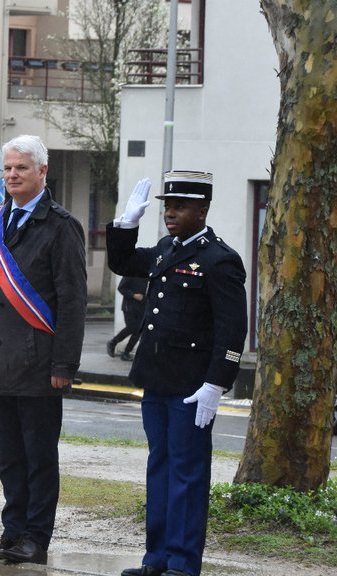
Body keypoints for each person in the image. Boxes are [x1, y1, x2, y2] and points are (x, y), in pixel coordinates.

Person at [108, 173, 247, 576]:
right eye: (167, 205)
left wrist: (216, 384)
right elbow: (122, 262)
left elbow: (232, 327)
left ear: (202, 211)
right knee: (160, 468)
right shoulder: (166, 249)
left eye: (180, 206)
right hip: (156, 378)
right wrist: (126, 224)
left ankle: (183, 564)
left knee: (187, 475)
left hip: (191, 386)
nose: (170, 212)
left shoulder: (220, 259)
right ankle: (157, 559)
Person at [0, 134, 86, 565]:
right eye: (8, 168)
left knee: (39, 458)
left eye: (21, 168)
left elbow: (72, 301)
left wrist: (64, 364)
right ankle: (12, 531)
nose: (12, 175)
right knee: (9, 457)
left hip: (39, 362)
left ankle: (36, 537)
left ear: (42, 171)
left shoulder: (61, 226)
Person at [107, 275, 147, 362]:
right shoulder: (130, 273)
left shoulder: (148, 274)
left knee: (138, 331)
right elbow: (121, 288)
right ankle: (112, 343)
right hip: (129, 307)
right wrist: (133, 295)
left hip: (142, 307)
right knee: (132, 327)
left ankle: (126, 353)